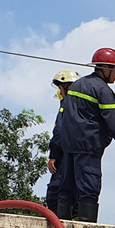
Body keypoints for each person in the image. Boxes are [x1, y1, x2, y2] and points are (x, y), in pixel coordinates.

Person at [58, 48, 115, 223]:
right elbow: (113, 121)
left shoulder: (77, 85)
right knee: (89, 186)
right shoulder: (102, 90)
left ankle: (62, 224)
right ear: (105, 68)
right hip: (88, 146)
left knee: (66, 187)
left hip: (68, 146)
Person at [45, 69, 78, 214]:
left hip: (63, 157)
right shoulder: (83, 108)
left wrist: (53, 156)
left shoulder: (66, 106)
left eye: (60, 88)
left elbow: (59, 133)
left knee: (56, 195)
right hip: (79, 157)